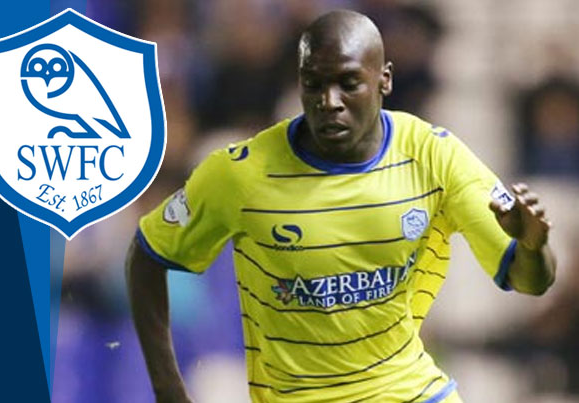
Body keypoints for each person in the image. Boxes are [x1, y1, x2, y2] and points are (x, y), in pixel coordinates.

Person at [125, 10, 556, 403]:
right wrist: (169, 390)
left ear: (384, 80)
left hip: (411, 393)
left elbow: (532, 281)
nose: (329, 101)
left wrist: (533, 247)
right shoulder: (240, 174)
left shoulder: (433, 155)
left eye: (348, 83)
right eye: (314, 84)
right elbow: (146, 256)